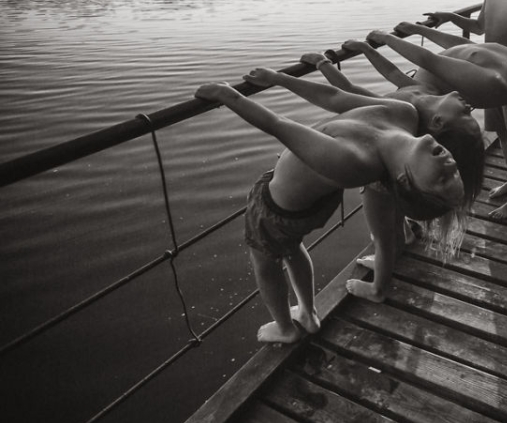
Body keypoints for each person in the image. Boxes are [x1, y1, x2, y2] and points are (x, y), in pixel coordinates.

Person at [195, 75, 467, 343]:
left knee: (265, 265)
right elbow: (334, 97)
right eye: (457, 174)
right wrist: (280, 78)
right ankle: (308, 313)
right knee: (291, 248)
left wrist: (227, 95)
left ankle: (286, 328)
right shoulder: (404, 113)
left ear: (405, 181)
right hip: (308, 199)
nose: (451, 166)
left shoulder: (354, 161)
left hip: (276, 207)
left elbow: (277, 124)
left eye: (443, 180)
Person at [297, 44, 485, 302]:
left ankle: (378, 289)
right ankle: (403, 239)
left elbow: (346, 94)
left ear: (438, 123)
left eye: (465, 112)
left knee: (382, 236)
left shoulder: (413, 109)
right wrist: (366, 48)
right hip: (396, 171)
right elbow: (394, 73)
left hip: (381, 181)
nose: (468, 103)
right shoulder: (425, 96)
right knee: (392, 221)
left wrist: (323, 64)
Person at [368, 22, 507, 219]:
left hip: (428, 103)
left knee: (394, 171)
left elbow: (430, 61)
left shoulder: (495, 84)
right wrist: (420, 30)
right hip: (423, 92)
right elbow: (464, 47)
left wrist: (386, 38)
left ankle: (407, 225)